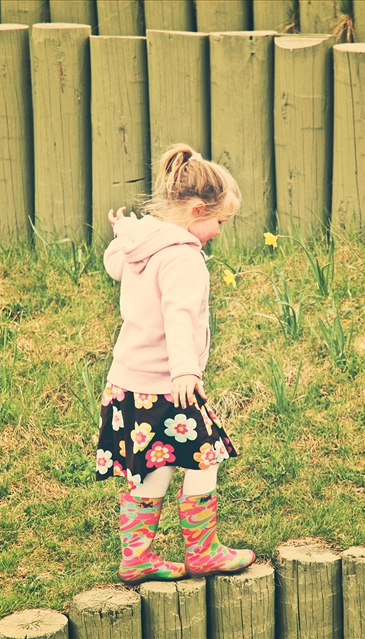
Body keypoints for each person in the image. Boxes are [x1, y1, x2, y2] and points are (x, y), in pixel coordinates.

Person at [95, 143, 255, 584]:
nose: (219, 232)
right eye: (219, 221)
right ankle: (202, 551)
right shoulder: (183, 256)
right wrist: (187, 370)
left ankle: (137, 557)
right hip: (169, 384)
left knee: (154, 466)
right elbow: (178, 317)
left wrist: (123, 235)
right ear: (198, 209)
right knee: (205, 459)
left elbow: (115, 265)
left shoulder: (142, 245)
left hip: (129, 384)